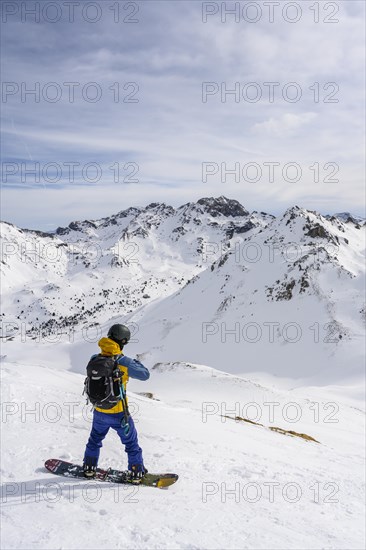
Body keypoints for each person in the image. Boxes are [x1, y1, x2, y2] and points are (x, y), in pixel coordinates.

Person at [83, 323, 150, 479]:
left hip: (99, 410)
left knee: (94, 440)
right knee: (131, 444)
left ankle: (89, 467)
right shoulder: (124, 362)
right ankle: (136, 472)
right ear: (124, 341)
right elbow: (145, 375)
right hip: (119, 413)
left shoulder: (95, 358)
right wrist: (134, 362)